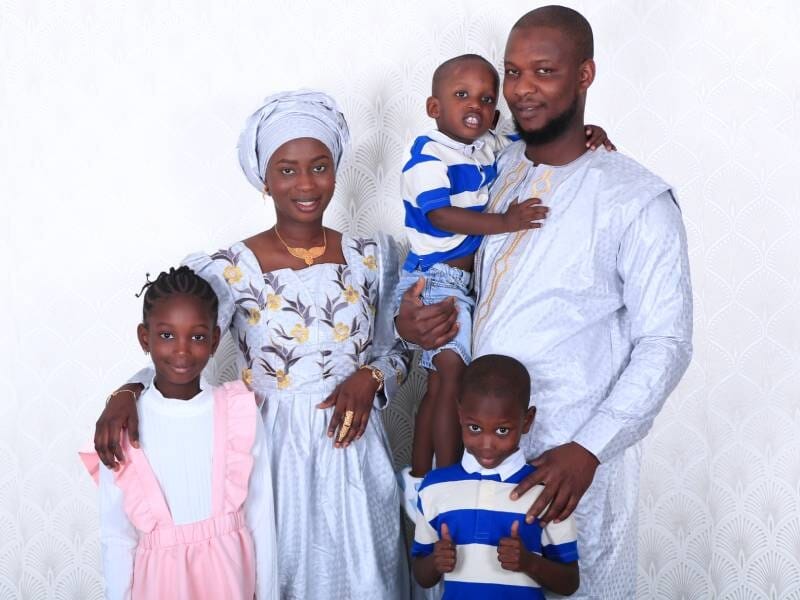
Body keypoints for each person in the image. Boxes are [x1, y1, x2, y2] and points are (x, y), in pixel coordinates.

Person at [397, 6, 693, 599]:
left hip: (570, 464)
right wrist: (413, 323)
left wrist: (588, 450)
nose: (523, 91)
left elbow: (667, 341)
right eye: (513, 73)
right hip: (474, 459)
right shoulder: (491, 172)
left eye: (544, 72)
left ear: (584, 75)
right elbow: (448, 269)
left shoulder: (634, 199)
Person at [92, 91, 411, 599]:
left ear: (336, 170)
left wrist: (370, 378)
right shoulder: (229, 270)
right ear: (264, 179)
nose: (305, 184)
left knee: (364, 574)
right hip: (268, 450)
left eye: (319, 166)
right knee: (274, 572)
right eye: (287, 170)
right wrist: (125, 393)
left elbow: (400, 349)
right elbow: (177, 348)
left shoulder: (372, 257)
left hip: (351, 448)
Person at [397, 54, 614, 516]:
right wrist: (505, 221)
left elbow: (544, 132)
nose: (475, 105)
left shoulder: (489, 146)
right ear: (434, 107)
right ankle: (442, 479)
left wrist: (589, 131)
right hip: (436, 279)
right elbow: (439, 215)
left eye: (485, 99)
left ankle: (419, 478)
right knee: (452, 380)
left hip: (462, 281)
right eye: (461, 96)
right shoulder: (428, 154)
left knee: (440, 386)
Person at [79, 266, 278, 599]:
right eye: (167, 335)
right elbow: (116, 535)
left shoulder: (239, 412)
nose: (182, 350)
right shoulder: (123, 425)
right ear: (146, 337)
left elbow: (261, 517)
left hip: (231, 581)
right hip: (159, 586)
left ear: (215, 340)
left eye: (197, 336)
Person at [412, 355, 579, 599]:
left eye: (502, 430)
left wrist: (529, 563)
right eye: (475, 428)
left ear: (527, 420)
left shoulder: (546, 491)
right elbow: (421, 575)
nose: (487, 445)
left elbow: (570, 582)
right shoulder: (434, 487)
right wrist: (435, 562)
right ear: (459, 414)